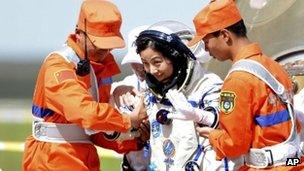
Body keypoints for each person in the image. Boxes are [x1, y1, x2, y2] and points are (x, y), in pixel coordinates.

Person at [22, 1, 147, 171]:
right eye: (99, 44)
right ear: (79, 33)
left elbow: (97, 131)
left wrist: (137, 138)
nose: (106, 51)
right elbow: (83, 112)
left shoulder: (99, 67)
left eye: (110, 45)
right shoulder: (59, 65)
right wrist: (127, 120)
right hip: (51, 159)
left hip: (84, 158)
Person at [187, 0, 304, 170]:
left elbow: (235, 144)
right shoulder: (273, 66)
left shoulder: (237, 80)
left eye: (206, 41)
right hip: (293, 162)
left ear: (225, 35)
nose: (206, 50)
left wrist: (213, 136)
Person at [135, 21, 224, 170]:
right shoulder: (149, 92)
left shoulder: (208, 85)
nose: (151, 70)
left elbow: (222, 121)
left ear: (176, 57)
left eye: (157, 62)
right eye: (145, 63)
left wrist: (197, 115)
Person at [109, 25, 151, 171]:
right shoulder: (121, 87)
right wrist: (135, 133)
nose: (139, 67)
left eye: (143, 62)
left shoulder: (176, 89)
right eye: (135, 61)